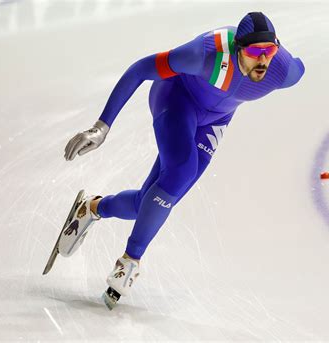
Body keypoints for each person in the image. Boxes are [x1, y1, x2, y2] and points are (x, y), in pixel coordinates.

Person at [59, 11, 305, 308]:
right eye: (255, 52)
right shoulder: (204, 56)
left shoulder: (283, 71)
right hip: (175, 100)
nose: (263, 60)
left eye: (269, 51)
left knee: (150, 203)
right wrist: (101, 127)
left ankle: (92, 208)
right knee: (181, 172)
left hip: (215, 120)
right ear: (239, 48)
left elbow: (299, 67)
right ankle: (130, 262)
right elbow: (139, 70)